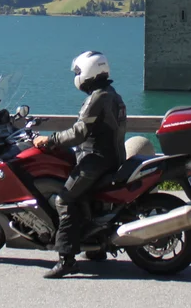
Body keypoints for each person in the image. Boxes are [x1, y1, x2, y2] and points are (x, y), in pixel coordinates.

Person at [34, 50, 127, 279]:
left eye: (77, 72)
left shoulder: (97, 98)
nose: (76, 76)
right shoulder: (112, 94)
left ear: (88, 72)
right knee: (86, 198)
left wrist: (50, 140)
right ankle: (96, 246)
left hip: (96, 159)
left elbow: (79, 132)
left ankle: (66, 259)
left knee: (65, 200)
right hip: (112, 157)